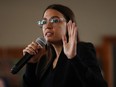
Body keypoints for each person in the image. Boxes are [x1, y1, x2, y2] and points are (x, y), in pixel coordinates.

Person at [22, 4, 107, 87]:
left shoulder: (81, 49)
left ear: (69, 25)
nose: (47, 26)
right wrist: (31, 64)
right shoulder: (43, 61)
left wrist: (73, 58)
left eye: (55, 20)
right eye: (44, 22)